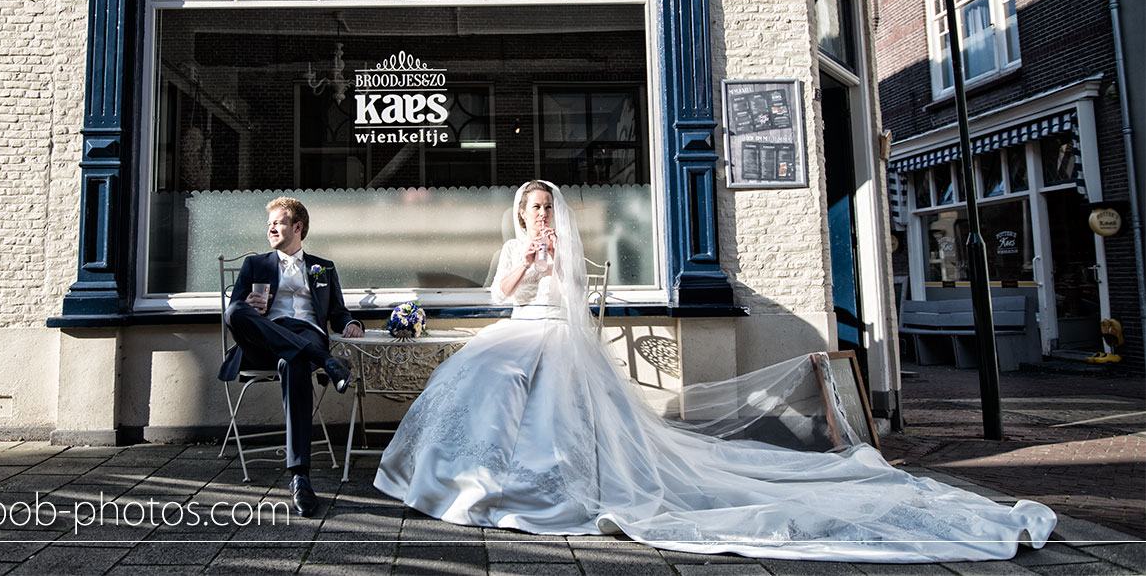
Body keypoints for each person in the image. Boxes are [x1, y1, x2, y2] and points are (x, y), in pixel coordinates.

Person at [375, 181, 1056, 562]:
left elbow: (576, 304)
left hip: (559, 335)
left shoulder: (570, 248)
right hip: (518, 329)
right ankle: (471, 484)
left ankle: (554, 486)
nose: (541, 216)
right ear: (521, 214)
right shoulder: (511, 247)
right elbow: (502, 297)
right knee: (481, 386)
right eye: (533, 209)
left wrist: (558, 261)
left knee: (563, 409)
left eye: (547, 208)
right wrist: (527, 261)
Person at [220, 197, 363, 517]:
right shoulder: (255, 264)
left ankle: (300, 477)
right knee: (236, 310)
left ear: (297, 227)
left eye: (279, 222)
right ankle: (325, 359)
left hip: (306, 334)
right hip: (263, 339)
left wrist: (351, 323)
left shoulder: (323, 267)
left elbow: (338, 312)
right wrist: (252, 306)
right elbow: (237, 312)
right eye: (269, 223)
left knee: (294, 362)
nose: (271, 227)